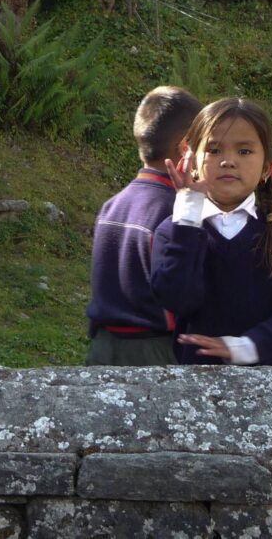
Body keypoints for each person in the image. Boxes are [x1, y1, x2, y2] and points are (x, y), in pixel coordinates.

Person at [150, 98, 272, 367]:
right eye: (214, 150)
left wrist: (247, 346)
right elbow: (178, 299)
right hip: (200, 389)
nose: (228, 161)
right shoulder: (173, 231)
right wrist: (187, 215)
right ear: (193, 161)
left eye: (244, 151)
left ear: (267, 167)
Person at [85, 86, 203, 366]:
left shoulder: (111, 205)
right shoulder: (177, 210)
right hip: (153, 349)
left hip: (102, 347)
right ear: (185, 147)